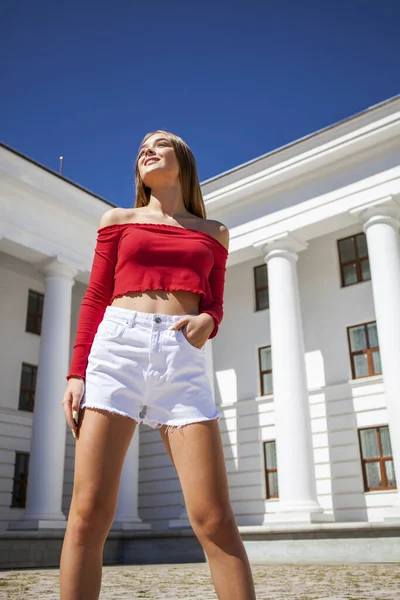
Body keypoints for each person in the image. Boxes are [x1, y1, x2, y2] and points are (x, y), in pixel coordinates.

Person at [59, 130, 256, 600]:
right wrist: (76, 372)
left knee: (215, 518)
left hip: (180, 362)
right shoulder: (117, 220)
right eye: (142, 147)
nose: (147, 149)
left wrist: (209, 320)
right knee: (89, 511)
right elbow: (94, 297)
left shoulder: (213, 233)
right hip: (116, 352)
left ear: (183, 160)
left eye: (160, 143)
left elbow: (215, 303)